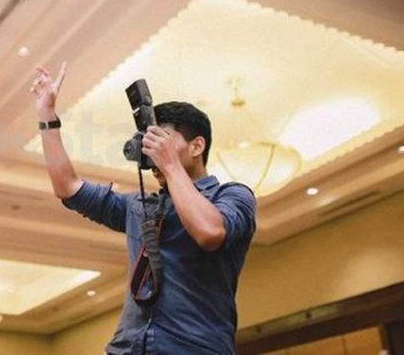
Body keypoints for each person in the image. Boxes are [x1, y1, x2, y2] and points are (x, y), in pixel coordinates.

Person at [30, 62, 256, 355]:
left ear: (196, 146)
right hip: (128, 348)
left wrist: (171, 165)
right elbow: (68, 187)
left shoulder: (233, 196)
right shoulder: (140, 206)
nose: (152, 152)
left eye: (161, 141)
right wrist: (47, 117)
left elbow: (209, 232)